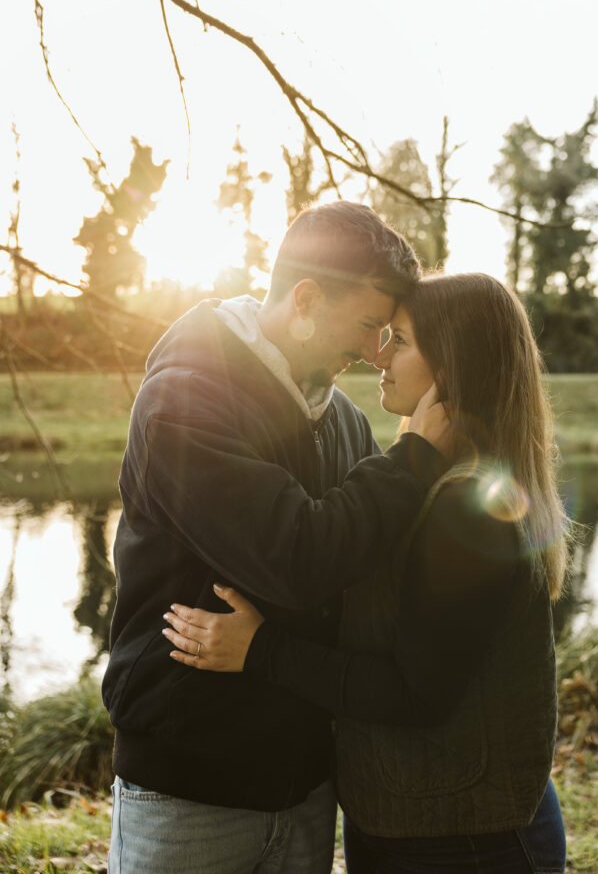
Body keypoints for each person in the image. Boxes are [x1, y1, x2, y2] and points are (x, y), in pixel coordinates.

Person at [164, 272, 571, 874]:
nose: (378, 355)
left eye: (400, 341)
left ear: (452, 364)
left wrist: (262, 650)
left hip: (465, 840)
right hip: (419, 818)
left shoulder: (468, 503)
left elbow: (416, 692)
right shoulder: (429, 478)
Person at [103, 202, 451, 874]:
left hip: (305, 788)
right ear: (305, 299)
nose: (374, 350)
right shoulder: (186, 399)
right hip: (187, 792)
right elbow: (294, 558)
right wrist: (413, 459)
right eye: (368, 326)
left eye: (388, 334)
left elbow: (364, 559)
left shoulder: (343, 418)